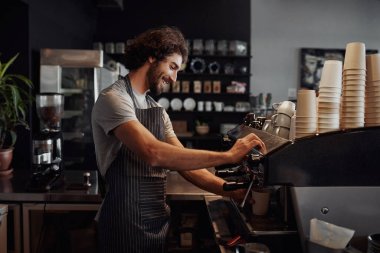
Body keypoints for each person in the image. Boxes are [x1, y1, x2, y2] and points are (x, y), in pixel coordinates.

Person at [91, 26, 266, 253]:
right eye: (172, 67)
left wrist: (229, 190)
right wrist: (228, 155)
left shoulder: (157, 110)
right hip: (123, 220)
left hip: (155, 220)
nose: (174, 78)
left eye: (178, 71)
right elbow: (153, 153)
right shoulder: (114, 99)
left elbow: (186, 166)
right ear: (152, 56)